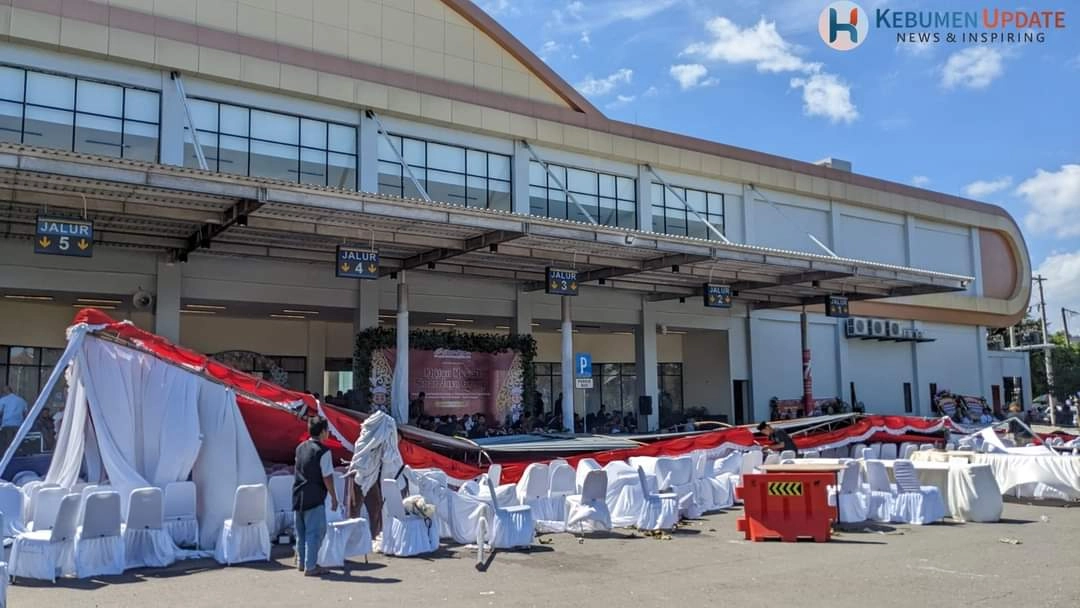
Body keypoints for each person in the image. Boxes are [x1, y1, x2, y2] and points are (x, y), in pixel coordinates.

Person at [292, 417, 339, 577]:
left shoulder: (299, 448)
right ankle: (310, 566)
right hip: (314, 495)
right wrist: (333, 496)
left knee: (301, 532)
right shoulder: (323, 452)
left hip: (298, 494)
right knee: (315, 532)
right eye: (327, 430)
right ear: (323, 432)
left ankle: (302, 562)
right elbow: (327, 476)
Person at [0, 385, 28, 452]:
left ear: (5, 391)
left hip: (7, 425)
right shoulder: (22, 400)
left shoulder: (3, 400)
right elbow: (26, 413)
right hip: (18, 425)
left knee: (7, 445)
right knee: (17, 444)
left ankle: (7, 460)